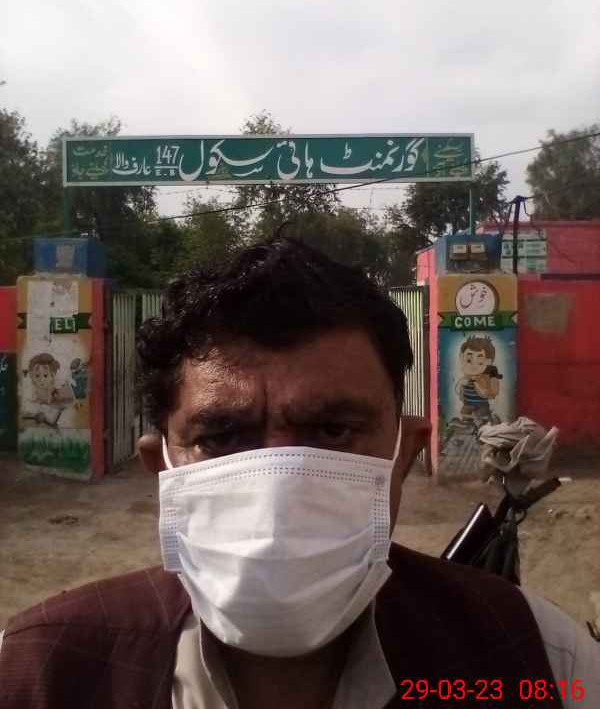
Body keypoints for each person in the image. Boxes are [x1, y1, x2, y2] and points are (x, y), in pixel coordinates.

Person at [1, 236, 598, 708]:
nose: (279, 487)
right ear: (162, 468)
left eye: (333, 430)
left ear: (404, 454)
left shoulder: (540, 662)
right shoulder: (41, 672)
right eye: (221, 437)